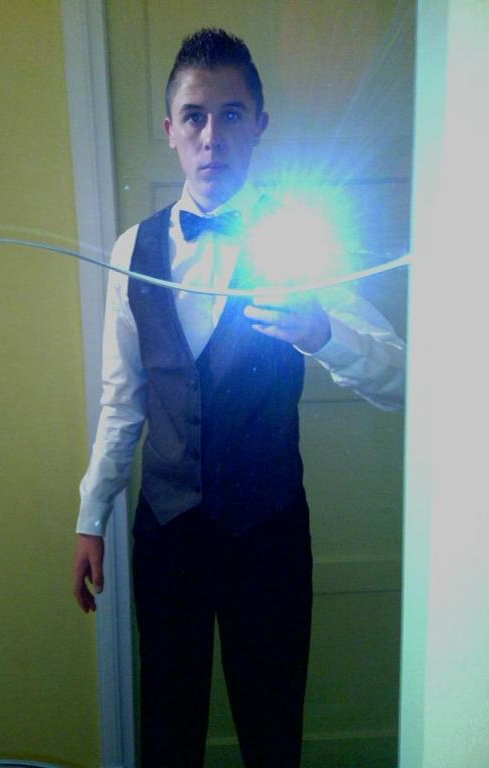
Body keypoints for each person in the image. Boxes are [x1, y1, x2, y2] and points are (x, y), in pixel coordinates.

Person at [73, 28, 405, 768]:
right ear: (170, 130)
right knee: (168, 734)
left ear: (259, 124)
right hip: (166, 533)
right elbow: (122, 400)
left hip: (268, 532)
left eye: (230, 115)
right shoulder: (131, 250)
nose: (211, 136)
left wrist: (322, 335)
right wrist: (92, 516)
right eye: (194, 116)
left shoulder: (304, 240)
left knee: (272, 732)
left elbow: (400, 379)